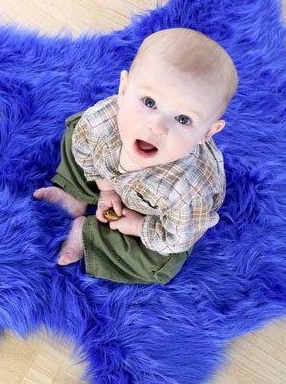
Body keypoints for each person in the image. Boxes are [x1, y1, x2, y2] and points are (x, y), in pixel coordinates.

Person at [33, 27, 238, 284]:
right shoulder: (103, 121)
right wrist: (106, 189)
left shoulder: (189, 191)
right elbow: (84, 144)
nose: (157, 127)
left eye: (183, 119)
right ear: (124, 89)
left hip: (158, 214)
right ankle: (76, 195)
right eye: (149, 102)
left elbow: (178, 237)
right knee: (77, 131)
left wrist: (139, 226)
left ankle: (89, 237)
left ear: (207, 132)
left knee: (160, 263)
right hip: (107, 171)